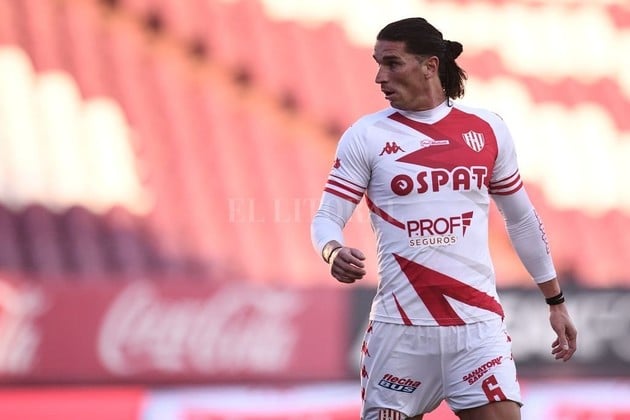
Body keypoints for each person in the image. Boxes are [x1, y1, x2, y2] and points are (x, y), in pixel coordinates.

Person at [310, 17, 577, 420]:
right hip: (400, 333)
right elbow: (328, 216)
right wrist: (332, 251)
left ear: (429, 66)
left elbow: (521, 219)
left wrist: (555, 301)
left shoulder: (488, 129)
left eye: (392, 63)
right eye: (378, 64)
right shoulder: (365, 136)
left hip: (477, 329)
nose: (380, 77)